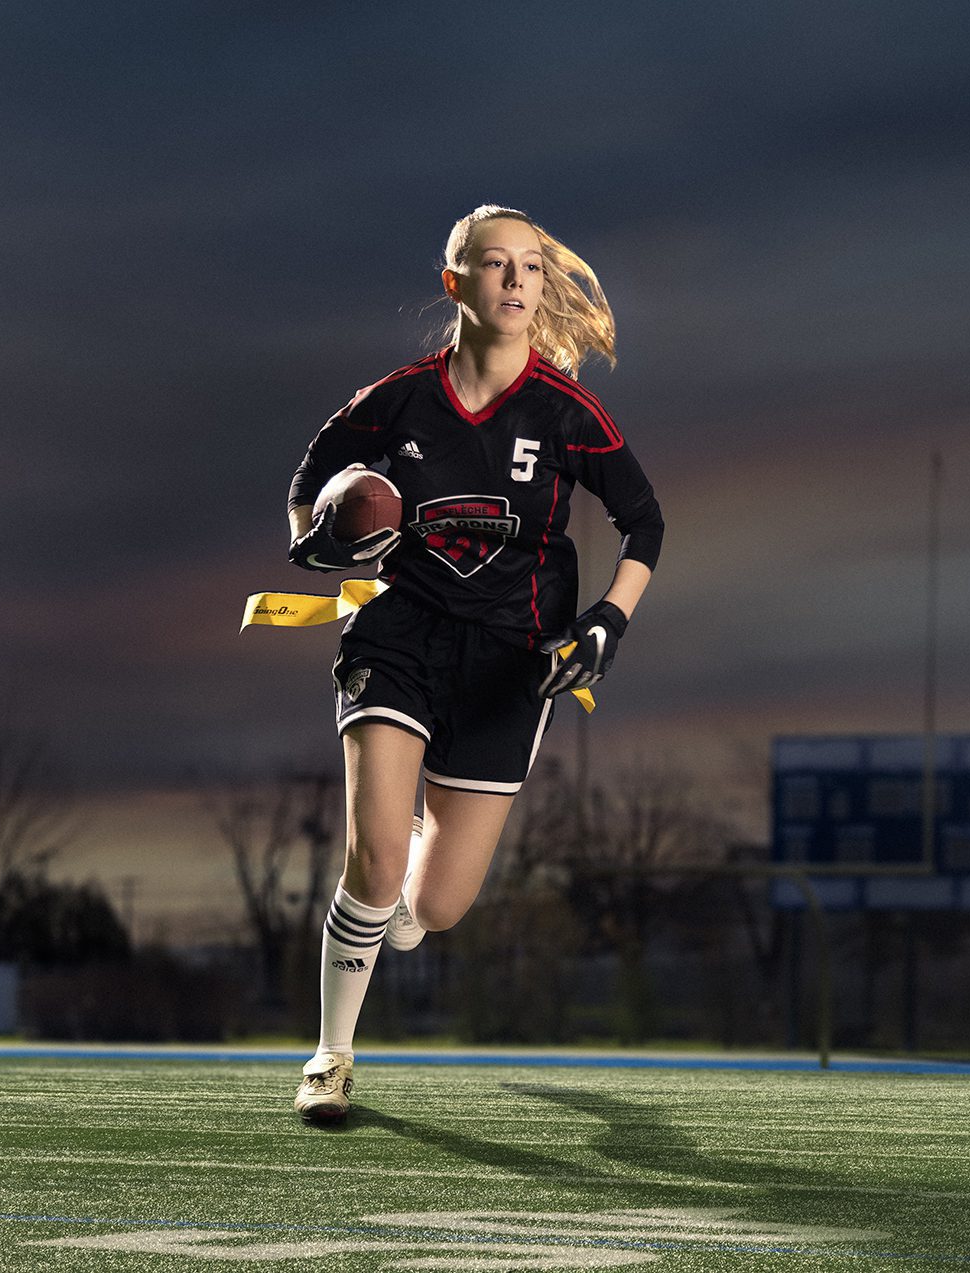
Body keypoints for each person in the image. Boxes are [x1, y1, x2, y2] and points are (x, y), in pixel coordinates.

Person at [282, 205, 664, 1123]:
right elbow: (309, 487)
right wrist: (320, 544)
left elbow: (644, 522)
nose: (515, 280)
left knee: (436, 910)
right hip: (401, 635)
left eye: (529, 267)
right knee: (371, 861)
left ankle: (407, 888)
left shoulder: (567, 412)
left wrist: (608, 621)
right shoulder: (399, 399)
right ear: (456, 283)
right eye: (494, 265)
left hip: (510, 663)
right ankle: (330, 1056)